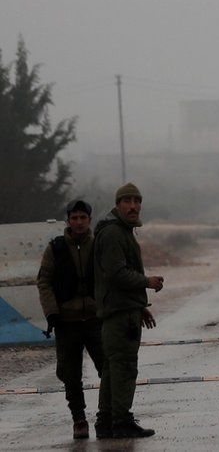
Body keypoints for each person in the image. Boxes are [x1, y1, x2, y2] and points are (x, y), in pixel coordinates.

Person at [93, 182, 164, 439]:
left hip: (123, 311)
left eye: (137, 201)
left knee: (113, 370)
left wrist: (140, 306)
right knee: (123, 368)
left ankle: (106, 422)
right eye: (128, 201)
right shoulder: (113, 233)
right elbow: (116, 274)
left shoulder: (122, 231)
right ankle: (121, 421)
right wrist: (147, 282)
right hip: (119, 315)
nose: (134, 206)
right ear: (118, 204)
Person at [36, 199, 110, 440]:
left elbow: (111, 276)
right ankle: (79, 418)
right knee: (70, 373)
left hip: (96, 319)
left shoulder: (99, 245)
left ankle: (106, 415)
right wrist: (52, 312)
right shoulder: (55, 248)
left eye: (83, 217)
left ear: (89, 220)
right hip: (66, 321)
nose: (78, 222)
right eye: (74, 218)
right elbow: (44, 281)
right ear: (68, 221)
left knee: (107, 368)